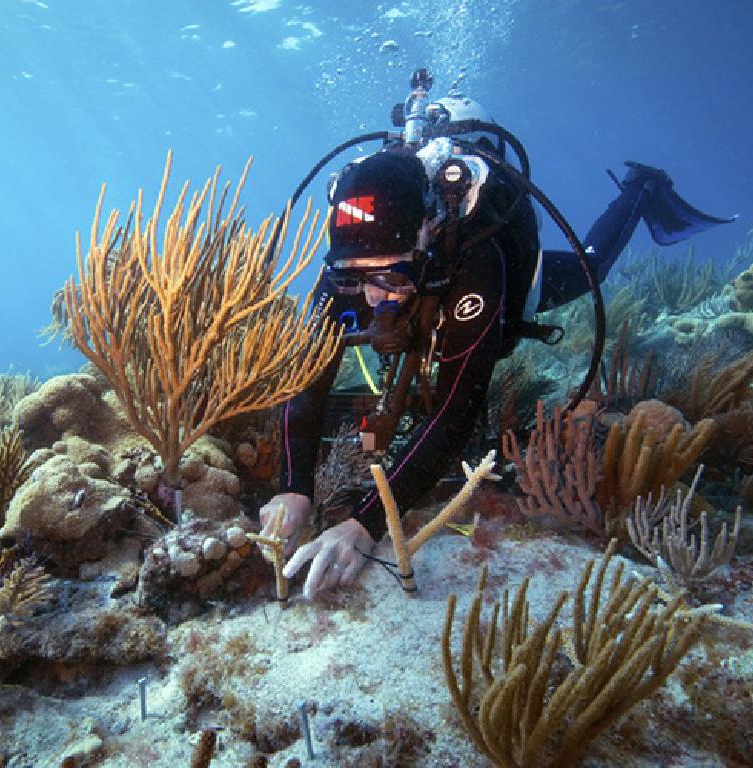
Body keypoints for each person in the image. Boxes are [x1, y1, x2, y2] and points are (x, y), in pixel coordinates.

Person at [259, 93, 734, 600]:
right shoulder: (345, 274)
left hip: (505, 290)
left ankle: (640, 190)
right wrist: (294, 488)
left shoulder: (475, 260)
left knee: (589, 268)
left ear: (427, 233)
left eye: (390, 274)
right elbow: (306, 382)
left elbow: (455, 411)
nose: (373, 296)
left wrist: (365, 523)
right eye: (354, 278)